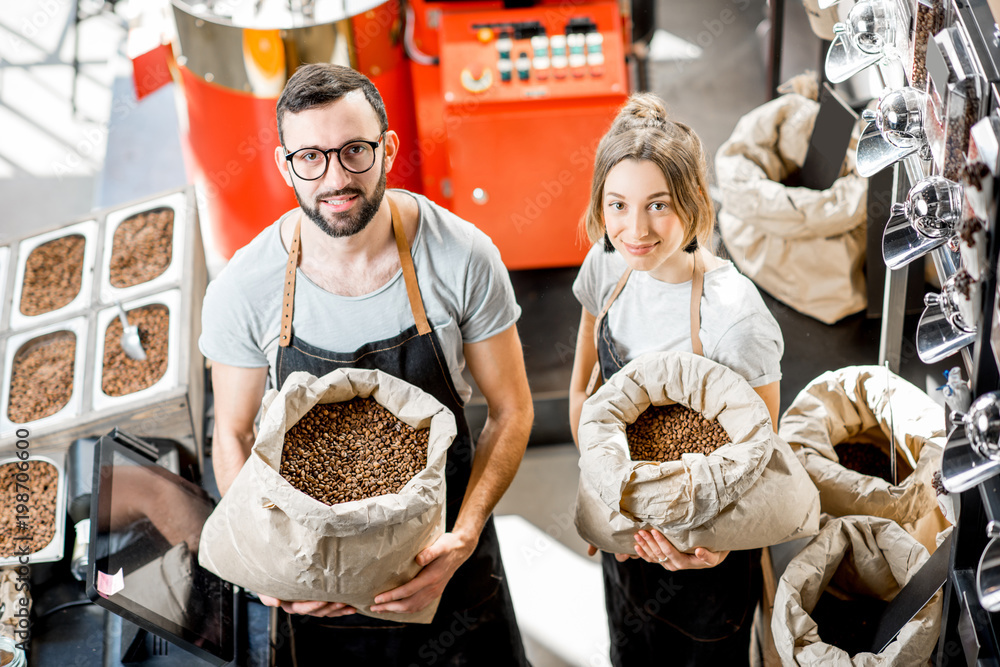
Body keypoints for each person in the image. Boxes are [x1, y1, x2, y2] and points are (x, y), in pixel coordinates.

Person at [199, 63, 532, 665]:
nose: (335, 178)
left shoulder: (462, 256)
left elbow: (511, 409)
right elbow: (234, 432)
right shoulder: (243, 290)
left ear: (388, 149)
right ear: (285, 165)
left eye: (355, 151)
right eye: (311, 157)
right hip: (317, 578)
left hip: (447, 557)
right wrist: (270, 563)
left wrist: (465, 535)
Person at [568, 93, 784, 666]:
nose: (633, 229)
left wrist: (715, 546)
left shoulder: (733, 318)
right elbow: (583, 391)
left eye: (658, 205)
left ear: (693, 202)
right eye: (617, 205)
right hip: (627, 539)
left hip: (703, 555)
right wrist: (599, 490)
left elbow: (762, 459)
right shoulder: (605, 266)